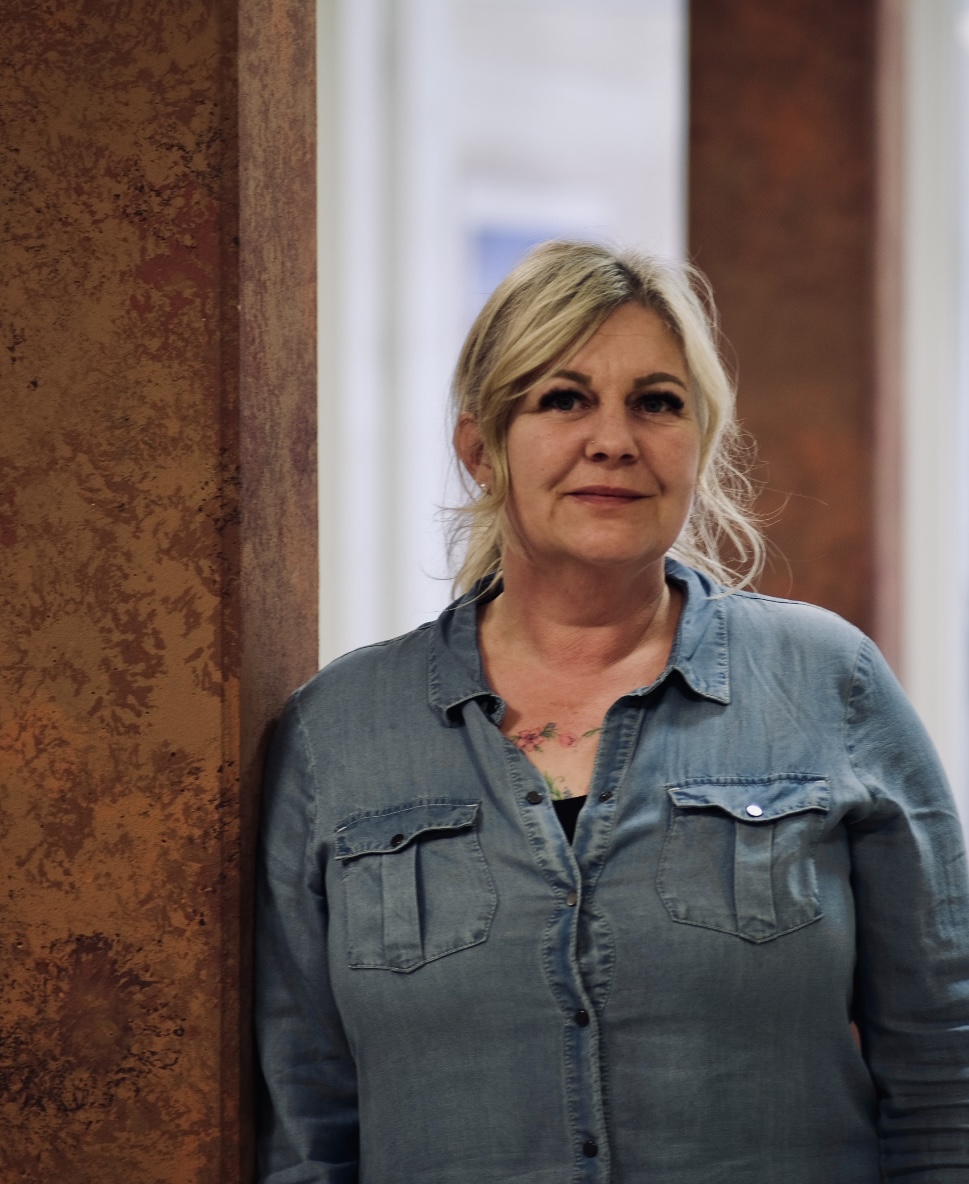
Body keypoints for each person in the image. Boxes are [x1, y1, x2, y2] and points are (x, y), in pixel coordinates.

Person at [254, 241, 969, 1183]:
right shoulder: (337, 733)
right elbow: (307, 1121)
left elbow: (943, 1067)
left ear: (698, 443)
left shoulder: (828, 682)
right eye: (563, 399)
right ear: (480, 450)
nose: (613, 440)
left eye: (656, 403)